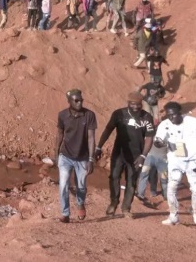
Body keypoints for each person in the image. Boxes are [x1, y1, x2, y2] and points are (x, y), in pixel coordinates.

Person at [96, 92, 155, 218]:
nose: (135, 107)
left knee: (131, 181)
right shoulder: (119, 114)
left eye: (138, 104)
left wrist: (143, 156)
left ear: (141, 104)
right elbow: (108, 130)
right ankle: (113, 203)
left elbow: (149, 138)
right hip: (119, 153)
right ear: (128, 103)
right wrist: (98, 146)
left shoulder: (147, 117)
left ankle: (126, 208)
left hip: (136, 156)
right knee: (114, 177)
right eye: (132, 104)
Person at [154, 102, 196, 226]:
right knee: (172, 187)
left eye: (173, 115)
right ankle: (173, 215)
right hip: (175, 160)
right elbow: (158, 141)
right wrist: (160, 143)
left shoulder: (193, 122)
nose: (171, 118)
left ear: (180, 113)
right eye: (168, 115)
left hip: (194, 160)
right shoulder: (164, 125)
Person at [55, 89, 97, 223]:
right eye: (76, 100)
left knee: (81, 186)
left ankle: (80, 203)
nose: (79, 103)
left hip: (82, 157)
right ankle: (65, 213)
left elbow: (91, 138)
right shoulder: (62, 115)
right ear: (69, 102)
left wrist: (91, 159)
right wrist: (56, 153)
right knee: (63, 184)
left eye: (81, 100)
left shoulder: (89, 115)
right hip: (65, 156)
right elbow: (59, 134)